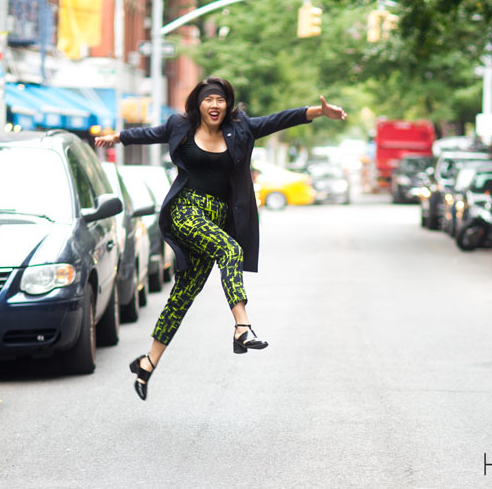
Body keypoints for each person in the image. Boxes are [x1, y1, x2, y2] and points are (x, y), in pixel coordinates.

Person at [95, 76, 347, 401]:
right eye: (208, 100)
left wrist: (318, 112)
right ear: (198, 104)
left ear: (227, 105)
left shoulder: (240, 129)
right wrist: (119, 136)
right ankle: (242, 327)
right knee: (230, 249)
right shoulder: (180, 126)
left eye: (221, 100)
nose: (215, 106)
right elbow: (150, 133)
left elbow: (279, 119)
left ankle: (147, 362)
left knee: (182, 296)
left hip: (216, 218)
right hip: (185, 209)